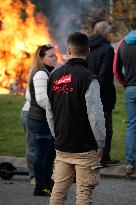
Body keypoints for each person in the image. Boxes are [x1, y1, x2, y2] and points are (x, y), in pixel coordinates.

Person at [46, 32, 106, 205]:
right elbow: (95, 114)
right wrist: (100, 142)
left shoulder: (54, 77)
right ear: (87, 51)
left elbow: (50, 112)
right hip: (85, 147)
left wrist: (56, 135)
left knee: (58, 190)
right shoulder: (89, 78)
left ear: (68, 51)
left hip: (62, 144)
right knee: (84, 194)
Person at [86, 21, 120, 167]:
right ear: (106, 33)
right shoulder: (107, 49)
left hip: (86, 91)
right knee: (106, 127)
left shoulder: (86, 47)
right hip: (103, 94)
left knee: (90, 125)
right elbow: (105, 75)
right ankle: (103, 157)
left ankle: (90, 156)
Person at [27, 44, 57, 196]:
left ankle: (47, 182)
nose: (55, 58)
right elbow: (41, 100)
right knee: (42, 153)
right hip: (40, 121)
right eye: (51, 56)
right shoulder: (40, 74)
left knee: (49, 152)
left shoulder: (46, 72)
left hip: (43, 120)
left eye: (55, 55)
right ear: (41, 58)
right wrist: (58, 109)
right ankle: (40, 187)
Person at [113, 16, 136, 176]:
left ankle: (129, 164)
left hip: (131, 89)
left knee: (132, 126)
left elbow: (115, 69)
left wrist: (125, 83)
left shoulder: (122, 43)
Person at [21, 87, 35, 185]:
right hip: (30, 112)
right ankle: (33, 176)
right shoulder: (39, 73)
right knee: (32, 146)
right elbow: (30, 96)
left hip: (40, 113)